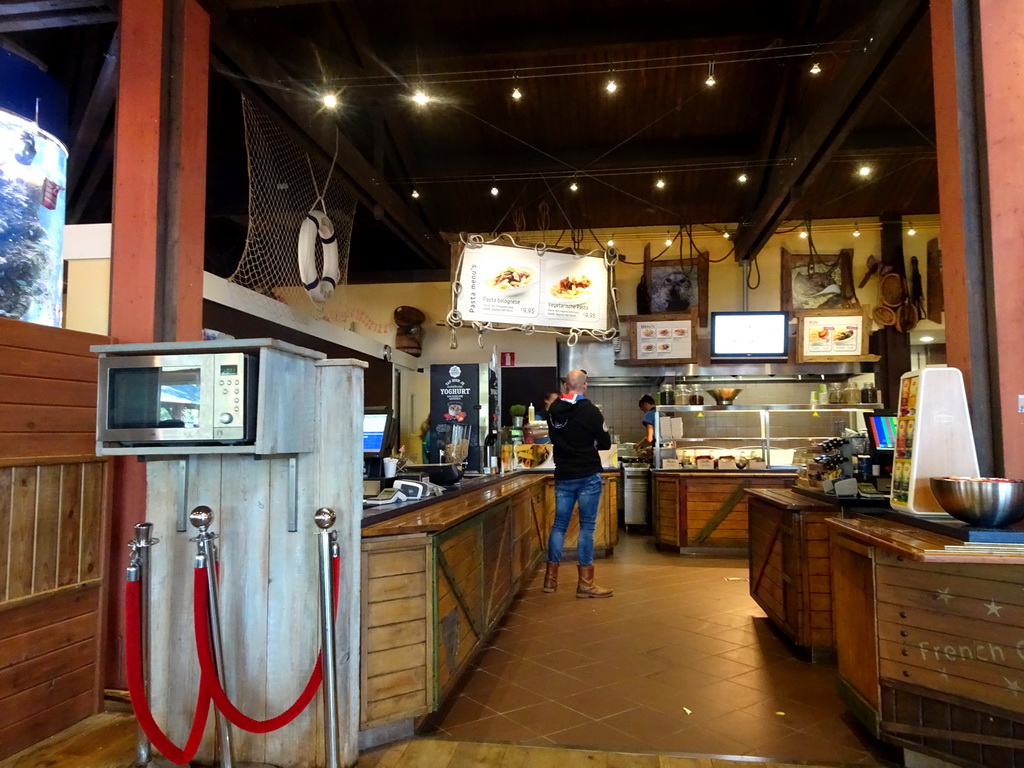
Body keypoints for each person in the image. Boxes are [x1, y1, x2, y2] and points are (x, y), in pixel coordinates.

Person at [543, 369, 613, 598]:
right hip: (587, 474)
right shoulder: (590, 411)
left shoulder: (553, 409)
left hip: (563, 474)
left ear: (565, 386)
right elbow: (604, 443)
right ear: (585, 385)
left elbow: (556, 437)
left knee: (559, 525)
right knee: (587, 527)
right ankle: (585, 584)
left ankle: (550, 580)